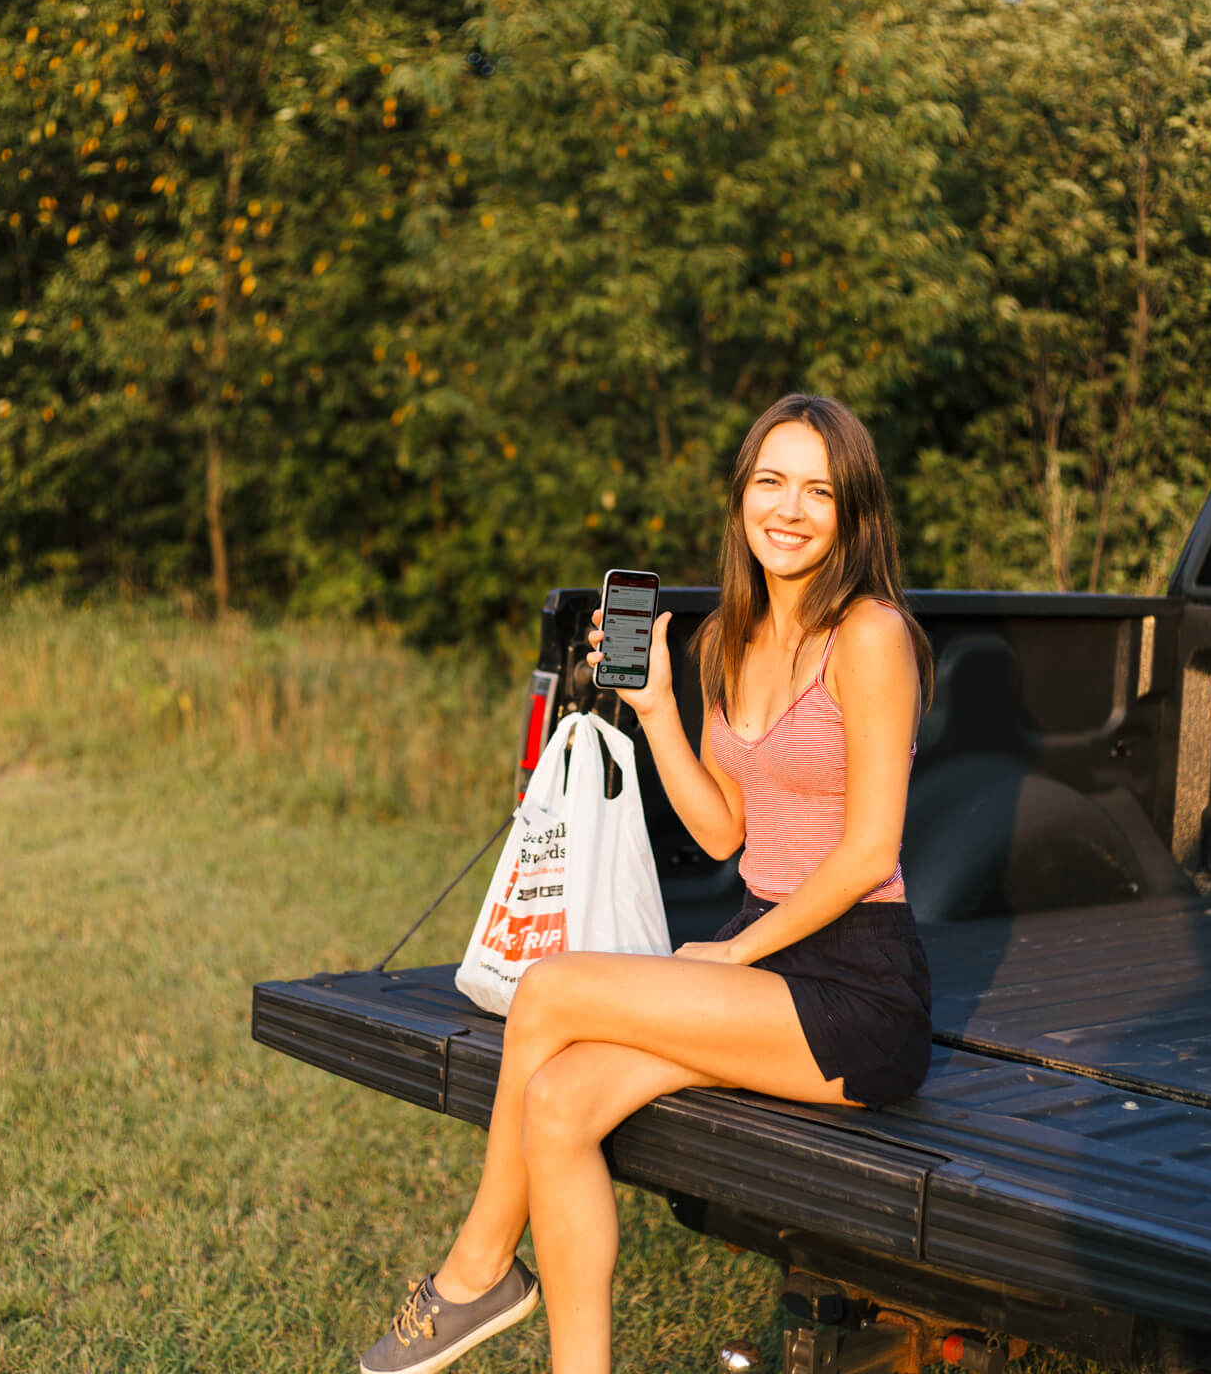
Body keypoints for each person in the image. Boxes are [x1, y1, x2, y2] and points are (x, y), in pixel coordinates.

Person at [361, 392, 934, 1374]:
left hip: (854, 991)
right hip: (760, 973)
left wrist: (732, 951)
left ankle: (476, 1271)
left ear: (852, 513)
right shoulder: (724, 640)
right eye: (768, 482)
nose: (788, 509)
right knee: (555, 1101)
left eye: (817, 490)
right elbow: (722, 831)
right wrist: (658, 708)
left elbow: (864, 851)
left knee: (548, 988)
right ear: (740, 498)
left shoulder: (869, 636)